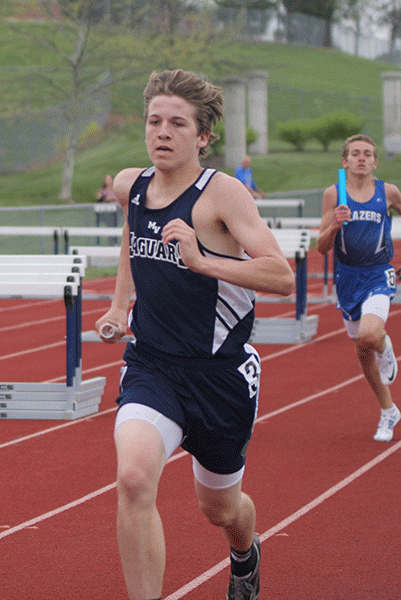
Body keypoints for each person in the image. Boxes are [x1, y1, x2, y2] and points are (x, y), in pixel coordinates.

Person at [95, 69, 294, 600]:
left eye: (178, 123)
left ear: (203, 136)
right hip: (153, 365)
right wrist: (119, 304)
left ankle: (244, 552)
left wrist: (204, 262)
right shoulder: (129, 185)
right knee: (134, 480)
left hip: (219, 376)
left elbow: (281, 275)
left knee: (220, 509)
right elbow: (132, 233)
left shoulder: (222, 194)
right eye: (154, 121)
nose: (162, 132)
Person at [318, 135, 401, 443]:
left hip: (377, 274)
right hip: (347, 278)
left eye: (367, 154)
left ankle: (385, 348)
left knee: (369, 335)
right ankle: (388, 410)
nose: (361, 158)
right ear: (344, 161)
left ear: (375, 162)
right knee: (362, 352)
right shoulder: (333, 194)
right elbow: (321, 247)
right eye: (355, 154)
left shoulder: (387, 191)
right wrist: (335, 224)